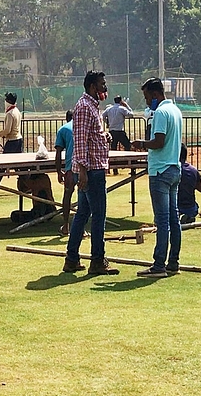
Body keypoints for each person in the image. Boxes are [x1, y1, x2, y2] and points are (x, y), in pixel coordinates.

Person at [62, 71, 119, 275]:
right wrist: (83, 172)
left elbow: (91, 137)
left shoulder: (92, 107)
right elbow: (80, 142)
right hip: (91, 171)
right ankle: (97, 260)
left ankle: (72, 258)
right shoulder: (85, 107)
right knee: (98, 215)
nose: (105, 88)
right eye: (102, 84)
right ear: (93, 87)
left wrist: (104, 137)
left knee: (83, 214)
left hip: (91, 168)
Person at [132, 77, 183, 277]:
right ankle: (173, 262)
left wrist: (142, 144)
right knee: (173, 219)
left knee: (162, 220)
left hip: (160, 171)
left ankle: (159, 265)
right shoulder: (176, 110)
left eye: (146, 96)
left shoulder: (160, 112)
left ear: (155, 94)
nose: (146, 101)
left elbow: (159, 141)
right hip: (173, 168)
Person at [0, 92, 23, 193]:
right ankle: (25, 185)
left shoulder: (10, 114)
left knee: (3, 165)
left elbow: (7, 130)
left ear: (8, 101)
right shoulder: (17, 111)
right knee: (19, 166)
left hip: (12, 141)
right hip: (19, 139)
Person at [54, 110, 75, 235]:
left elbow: (58, 152)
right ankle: (81, 228)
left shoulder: (63, 129)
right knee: (84, 197)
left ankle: (66, 225)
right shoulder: (83, 126)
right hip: (85, 165)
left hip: (70, 168)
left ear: (66, 118)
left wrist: (58, 171)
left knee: (67, 195)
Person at [102, 95, 134, 175]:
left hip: (112, 131)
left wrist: (107, 122)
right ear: (120, 101)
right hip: (119, 131)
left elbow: (102, 115)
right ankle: (128, 164)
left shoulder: (109, 109)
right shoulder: (122, 108)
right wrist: (126, 105)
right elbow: (131, 114)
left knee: (113, 150)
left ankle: (115, 170)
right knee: (128, 146)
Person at [178, 143, 201, 224]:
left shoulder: (173, 170)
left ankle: (179, 215)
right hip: (190, 207)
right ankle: (189, 216)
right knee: (195, 207)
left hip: (175, 206)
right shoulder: (193, 170)